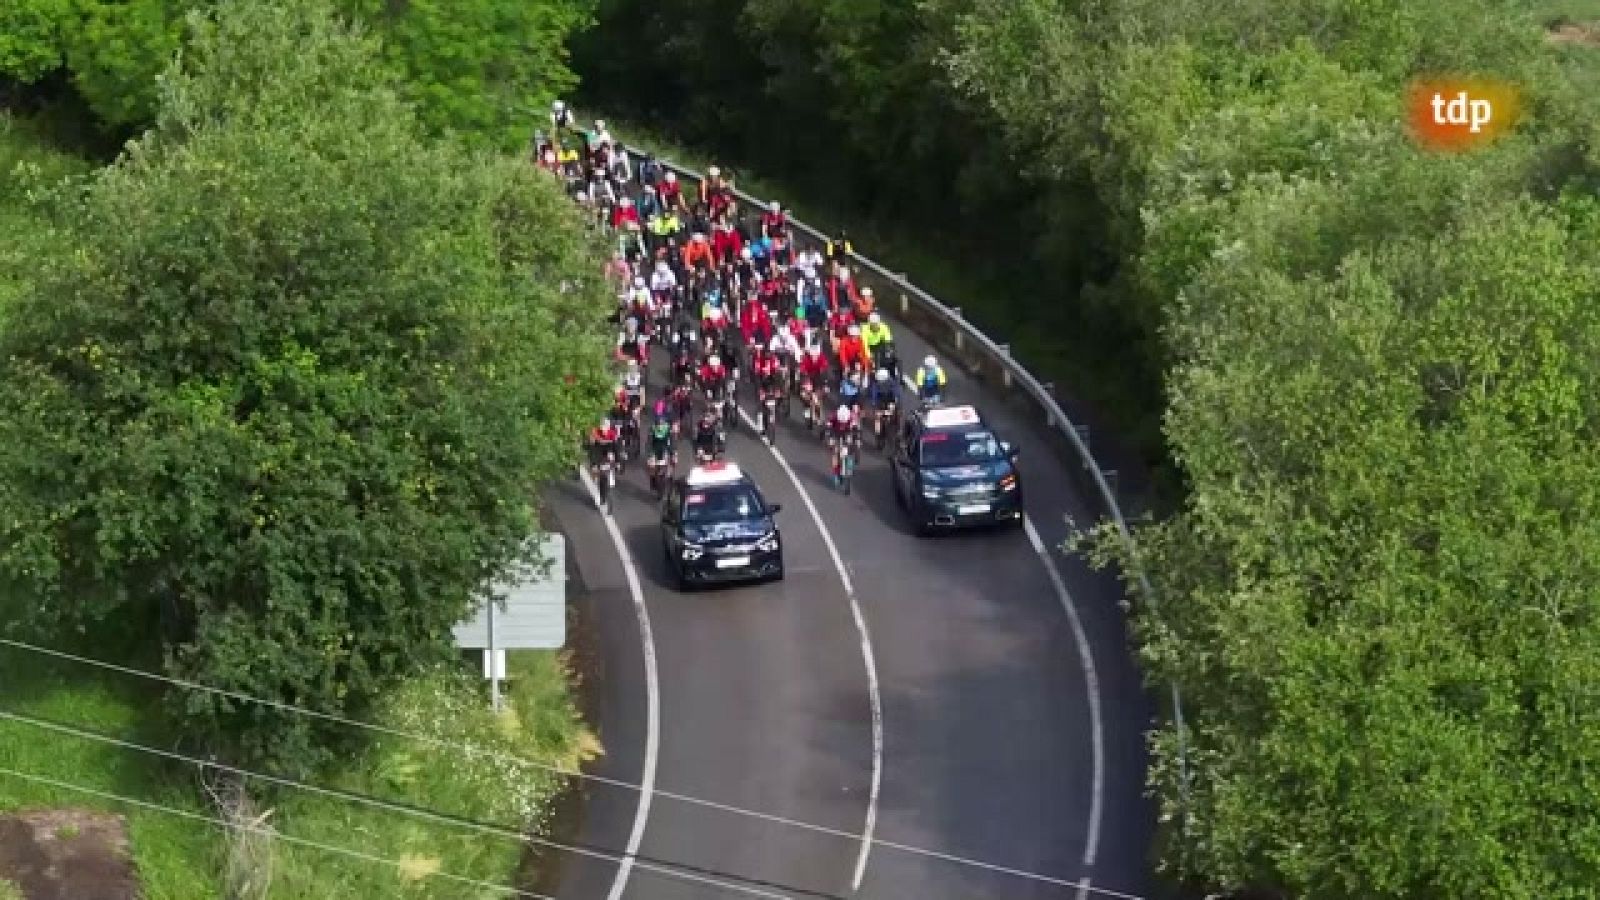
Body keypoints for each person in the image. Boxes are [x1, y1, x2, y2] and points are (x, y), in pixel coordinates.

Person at [826, 402, 858, 484]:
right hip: (835, 433)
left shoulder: (852, 417)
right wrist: (830, 437)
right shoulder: (833, 416)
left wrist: (856, 437)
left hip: (847, 433)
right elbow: (828, 427)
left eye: (844, 421)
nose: (843, 422)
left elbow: (856, 429)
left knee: (851, 446)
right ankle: (835, 473)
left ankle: (849, 464)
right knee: (835, 452)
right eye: (841, 420)